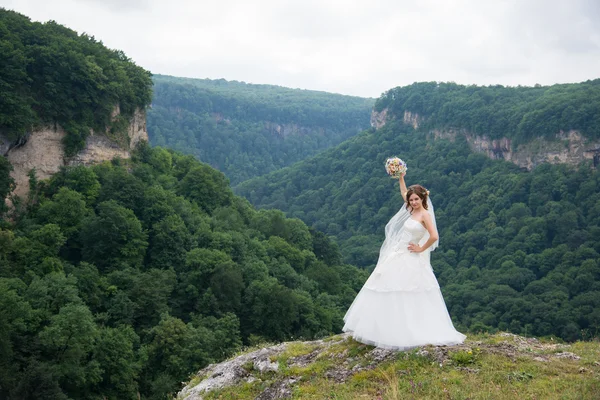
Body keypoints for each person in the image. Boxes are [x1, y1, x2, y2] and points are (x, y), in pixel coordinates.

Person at [342, 172, 466, 350]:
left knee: (408, 291)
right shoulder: (411, 209)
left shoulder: (425, 215)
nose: (413, 202)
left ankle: (408, 332)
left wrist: (420, 249)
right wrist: (401, 177)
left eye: (416, 199)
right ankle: (384, 330)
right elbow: (403, 193)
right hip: (397, 253)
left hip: (410, 256)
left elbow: (434, 236)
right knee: (387, 288)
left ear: (423, 199)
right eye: (411, 200)